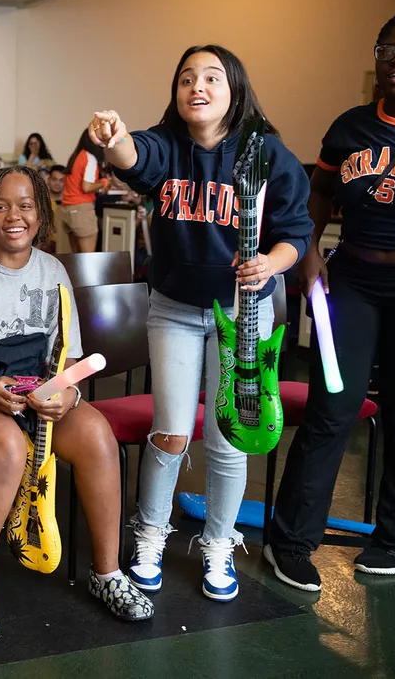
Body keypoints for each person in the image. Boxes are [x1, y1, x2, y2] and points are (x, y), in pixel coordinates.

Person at [91, 44, 312, 602]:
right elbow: (131, 156)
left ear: (234, 89)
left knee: (228, 439)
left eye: (212, 77)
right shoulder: (167, 146)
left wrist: (272, 262)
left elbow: (296, 234)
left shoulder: (265, 153)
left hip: (245, 313)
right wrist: (114, 136)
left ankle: (218, 545)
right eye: (187, 78)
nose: (198, 87)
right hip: (176, 309)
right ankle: (149, 537)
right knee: (168, 432)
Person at [0, 166, 153, 635]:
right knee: (7, 444)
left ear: (42, 214)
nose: (13, 216)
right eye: (1, 205)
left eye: (25, 206)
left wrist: (66, 393)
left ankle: (107, 573)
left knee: (97, 436)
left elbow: (70, 361)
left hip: (31, 389)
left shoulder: (53, 271)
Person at [268, 5, 395, 589]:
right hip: (349, 281)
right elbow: (319, 196)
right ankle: (291, 542)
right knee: (333, 409)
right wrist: (307, 256)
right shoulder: (350, 127)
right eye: (389, 49)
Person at [60, 131, 109, 253]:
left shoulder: (76, 156)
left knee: (75, 258)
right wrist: (104, 182)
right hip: (82, 209)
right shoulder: (90, 158)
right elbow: (86, 187)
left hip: (67, 209)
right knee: (87, 258)